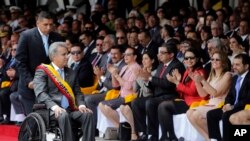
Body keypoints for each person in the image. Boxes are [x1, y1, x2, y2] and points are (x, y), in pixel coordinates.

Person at [33, 42, 95, 141]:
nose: (67, 57)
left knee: (88, 114)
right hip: (50, 110)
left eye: (67, 54)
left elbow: (78, 92)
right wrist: (54, 106)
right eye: (64, 54)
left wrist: (82, 105)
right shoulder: (43, 71)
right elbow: (40, 93)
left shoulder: (71, 72)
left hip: (71, 109)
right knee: (63, 115)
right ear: (53, 56)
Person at [132, 43, 185, 140]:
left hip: (170, 95)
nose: (159, 55)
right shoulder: (161, 65)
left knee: (150, 103)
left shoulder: (177, 65)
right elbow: (154, 83)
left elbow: (170, 85)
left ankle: (153, 134)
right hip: (158, 96)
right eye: (159, 53)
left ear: (171, 54)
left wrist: (150, 77)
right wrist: (147, 80)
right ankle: (143, 132)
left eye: (162, 53)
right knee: (136, 102)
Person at [15, 11, 63, 115]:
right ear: (38, 23)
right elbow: (20, 61)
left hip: (50, 86)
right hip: (30, 86)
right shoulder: (26, 36)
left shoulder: (57, 37)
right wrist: (29, 81)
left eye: (51, 24)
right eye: (45, 24)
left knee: (48, 118)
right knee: (34, 119)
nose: (49, 27)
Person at [158, 47, 207, 141]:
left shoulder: (200, 72)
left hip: (195, 103)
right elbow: (182, 91)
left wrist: (177, 82)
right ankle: (166, 136)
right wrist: (179, 80)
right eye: (186, 58)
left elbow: (192, 92)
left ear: (197, 59)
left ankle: (170, 136)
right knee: (162, 105)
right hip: (186, 101)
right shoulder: (187, 71)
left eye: (191, 58)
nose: (189, 60)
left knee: (163, 106)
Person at [186, 51, 232, 141]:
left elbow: (215, 93)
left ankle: (215, 138)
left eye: (217, 59)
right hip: (210, 103)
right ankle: (208, 138)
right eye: (212, 59)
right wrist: (196, 81)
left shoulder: (227, 75)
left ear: (223, 62)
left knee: (196, 115)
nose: (214, 61)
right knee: (189, 113)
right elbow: (203, 94)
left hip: (220, 104)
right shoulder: (212, 75)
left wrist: (203, 80)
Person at [207, 54, 250, 141]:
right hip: (233, 106)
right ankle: (215, 139)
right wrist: (227, 104)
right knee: (211, 114)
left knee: (226, 115)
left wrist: (233, 107)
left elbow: (248, 99)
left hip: (243, 107)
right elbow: (230, 95)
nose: (234, 67)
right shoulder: (235, 78)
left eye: (237, 65)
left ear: (246, 66)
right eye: (233, 64)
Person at [98, 47, 141, 131]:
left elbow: (128, 86)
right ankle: (119, 128)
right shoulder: (125, 67)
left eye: (128, 55)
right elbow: (115, 85)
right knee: (102, 105)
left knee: (104, 105)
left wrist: (116, 75)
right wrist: (113, 73)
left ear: (135, 57)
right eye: (125, 55)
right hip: (121, 96)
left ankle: (122, 129)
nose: (125, 57)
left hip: (129, 97)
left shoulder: (136, 68)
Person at [120, 51, 158, 140]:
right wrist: (137, 76)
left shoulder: (155, 72)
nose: (143, 61)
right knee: (123, 107)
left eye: (146, 59)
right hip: (141, 97)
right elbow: (135, 89)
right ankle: (137, 131)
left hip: (151, 97)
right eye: (143, 59)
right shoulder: (141, 71)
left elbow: (148, 91)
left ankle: (142, 132)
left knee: (134, 103)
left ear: (152, 60)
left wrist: (141, 77)